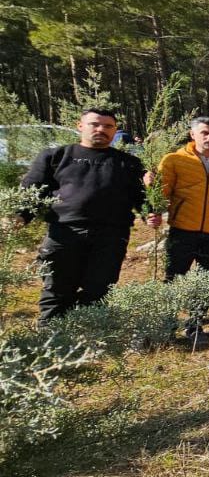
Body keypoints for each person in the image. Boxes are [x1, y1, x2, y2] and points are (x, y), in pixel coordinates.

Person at [20, 108, 146, 322]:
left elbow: (142, 198)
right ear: (80, 126)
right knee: (57, 289)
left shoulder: (129, 163)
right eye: (94, 124)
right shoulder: (56, 157)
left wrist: (150, 211)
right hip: (64, 233)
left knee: (99, 290)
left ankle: (88, 339)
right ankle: (51, 341)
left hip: (111, 237)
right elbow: (31, 190)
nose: (101, 129)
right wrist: (19, 216)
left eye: (108, 126)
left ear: (115, 130)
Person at [146, 117, 209, 346]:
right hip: (182, 230)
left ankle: (195, 326)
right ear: (192, 135)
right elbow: (160, 193)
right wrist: (150, 189)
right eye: (205, 133)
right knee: (174, 279)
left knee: (205, 281)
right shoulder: (174, 160)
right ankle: (165, 326)